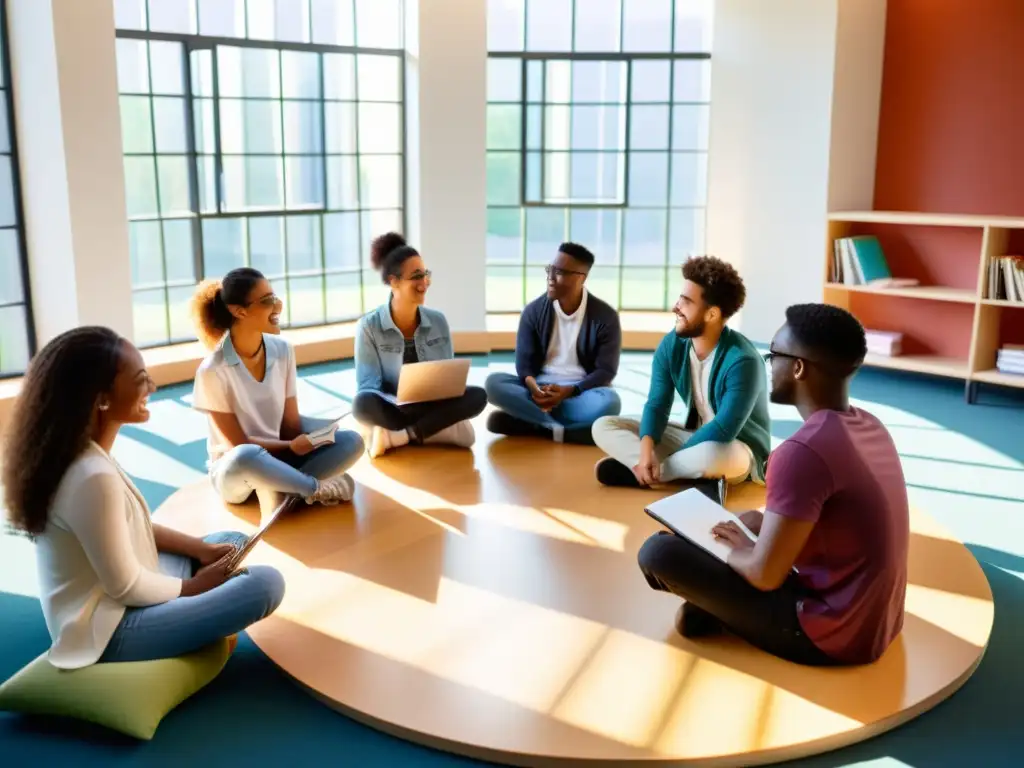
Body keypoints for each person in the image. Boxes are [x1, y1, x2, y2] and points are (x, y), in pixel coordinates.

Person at [637, 304, 910, 666]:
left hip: (832, 635)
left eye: (774, 355)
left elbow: (765, 576)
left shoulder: (801, 452)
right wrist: (765, 525)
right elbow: (839, 523)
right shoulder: (869, 424)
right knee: (743, 530)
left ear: (798, 368)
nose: (769, 364)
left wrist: (739, 552)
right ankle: (720, 605)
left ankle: (721, 611)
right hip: (879, 621)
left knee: (658, 553)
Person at [0, 327, 285, 668]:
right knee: (266, 585)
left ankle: (195, 584)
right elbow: (127, 588)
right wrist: (194, 587)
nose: (152, 387)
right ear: (101, 398)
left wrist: (200, 549)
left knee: (231, 542)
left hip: (116, 590)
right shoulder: (91, 476)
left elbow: (130, 528)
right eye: (140, 379)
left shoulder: (82, 453)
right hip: (107, 628)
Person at [592, 256, 770, 502]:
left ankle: (651, 472)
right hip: (693, 436)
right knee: (603, 426)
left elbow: (723, 428)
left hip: (735, 449)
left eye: (686, 301)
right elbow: (657, 405)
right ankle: (650, 467)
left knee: (708, 455)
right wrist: (645, 451)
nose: (676, 306)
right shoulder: (672, 344)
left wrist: (667, 458)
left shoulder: (743, 361)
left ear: (711, 314)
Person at [190, 268, 364, 515]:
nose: (278, 306)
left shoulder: (283, 350)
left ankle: (281, 490)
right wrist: (290, 447)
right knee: (246, 457)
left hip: (282, 458)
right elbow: (237, 444)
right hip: (238, 473)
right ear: (239, 311)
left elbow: (291, 426)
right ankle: (312, 488)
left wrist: (313, 438)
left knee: (353, 440)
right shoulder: (212, 370)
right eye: (268, 301)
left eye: (275, 297)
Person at [353, 232, 487, 457]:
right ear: (393, 281)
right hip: (394, 405)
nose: (424, 283)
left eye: (425, 274)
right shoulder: (369, 326)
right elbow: (368, 386)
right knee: (362, 403)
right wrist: (399, 400)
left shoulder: (438, 321)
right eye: (416, 276)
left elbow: (448, 379)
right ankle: (433, 429)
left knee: (479, 396)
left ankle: (403, 435)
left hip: (431, 403)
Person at [484, 242, 622, 445]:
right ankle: (565, 430)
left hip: (580, 393)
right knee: (493, 383)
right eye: (550, 269)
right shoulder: (533, 312)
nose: (550, 277)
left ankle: (534, 423)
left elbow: (605, 371)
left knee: (610, 402)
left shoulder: (605, 316)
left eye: (560, 272)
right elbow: (524, 366)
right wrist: (533, 388)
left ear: (581, 278)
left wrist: (569, 391)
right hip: (537, 391)